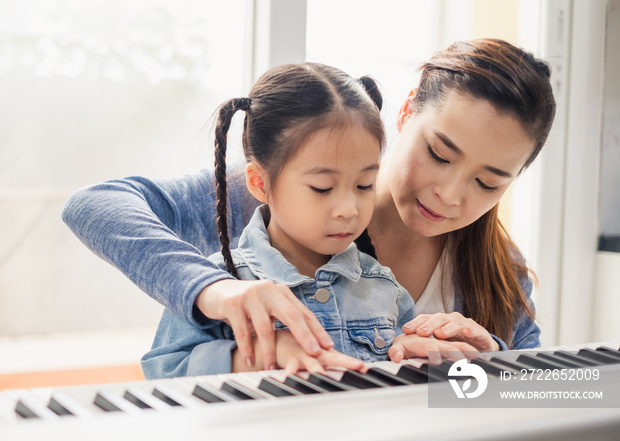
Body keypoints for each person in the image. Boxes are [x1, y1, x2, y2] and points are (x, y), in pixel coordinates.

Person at [62, 38, 556, 371]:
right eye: (439, 154)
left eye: (488, 183)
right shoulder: (273, 197)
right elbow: (96, 205)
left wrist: (489, 361)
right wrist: (214, 291)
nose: (449, 195)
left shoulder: (500, 273)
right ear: (406, 111)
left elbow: (540, 408)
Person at [138, 63, 419, 378]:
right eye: (322, 188)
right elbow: (162, 373)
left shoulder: (381, 285)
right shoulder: (218, 283)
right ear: (259, 183)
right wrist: (257, 354)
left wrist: (437, 349)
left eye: (365, 185)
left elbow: (441, 392)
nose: (349, 209)